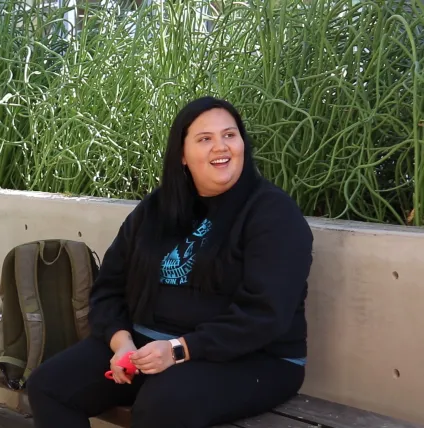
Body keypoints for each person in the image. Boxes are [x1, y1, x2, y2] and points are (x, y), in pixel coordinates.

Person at [25, 96, 314, 428]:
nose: (221, 147)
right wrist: (122, 343)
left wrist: (179, 350)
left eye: (230, 135)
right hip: (146, 346)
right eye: (205, 139)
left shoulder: (272, 213)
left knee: (163, 405)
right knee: (49, 386)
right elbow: (109, 288)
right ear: (182, 155)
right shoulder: (156, 209)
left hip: (254, 358)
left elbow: (264, 315)